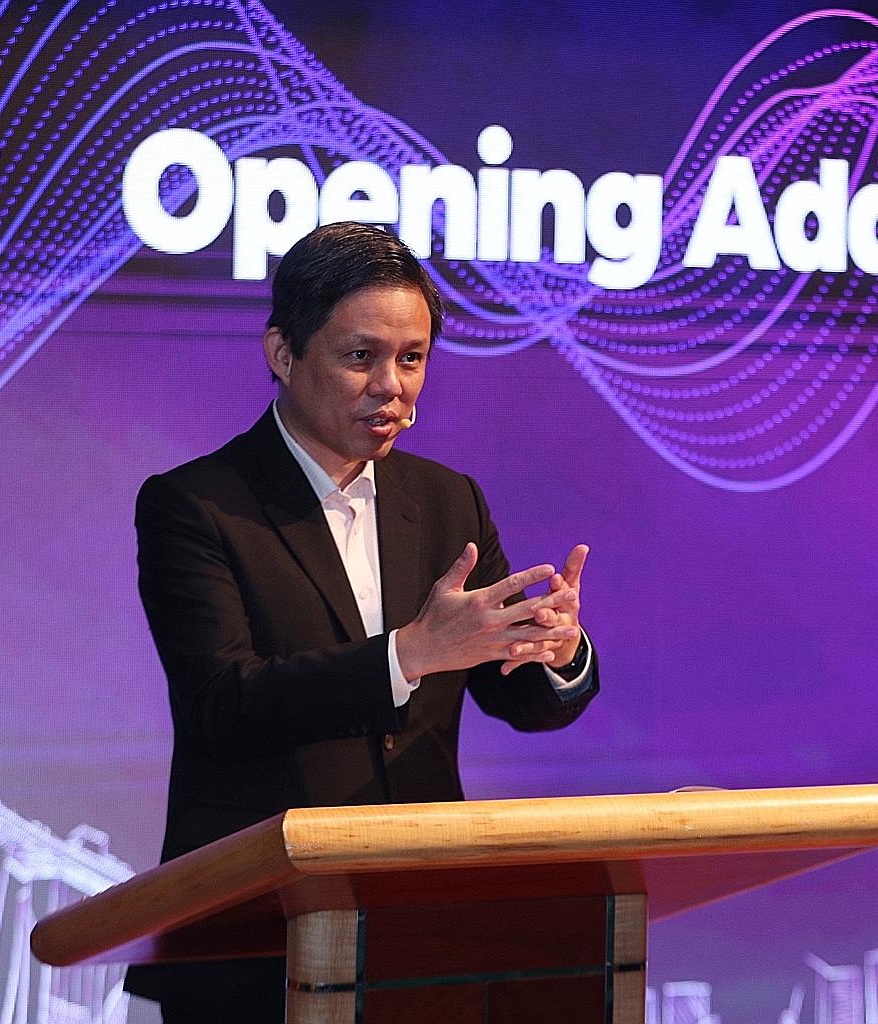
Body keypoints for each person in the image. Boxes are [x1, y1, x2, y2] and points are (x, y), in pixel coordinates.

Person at [122, 222, 599, 1023]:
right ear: (282, 354)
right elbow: (221, 702)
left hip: (425, 935)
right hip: (256, 936)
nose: (392, 385)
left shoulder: (449, 500)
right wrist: (406, 656)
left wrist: (556, 648)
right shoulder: (197, 504)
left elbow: (519, 701)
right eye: (359, 357)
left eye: (412, 358)